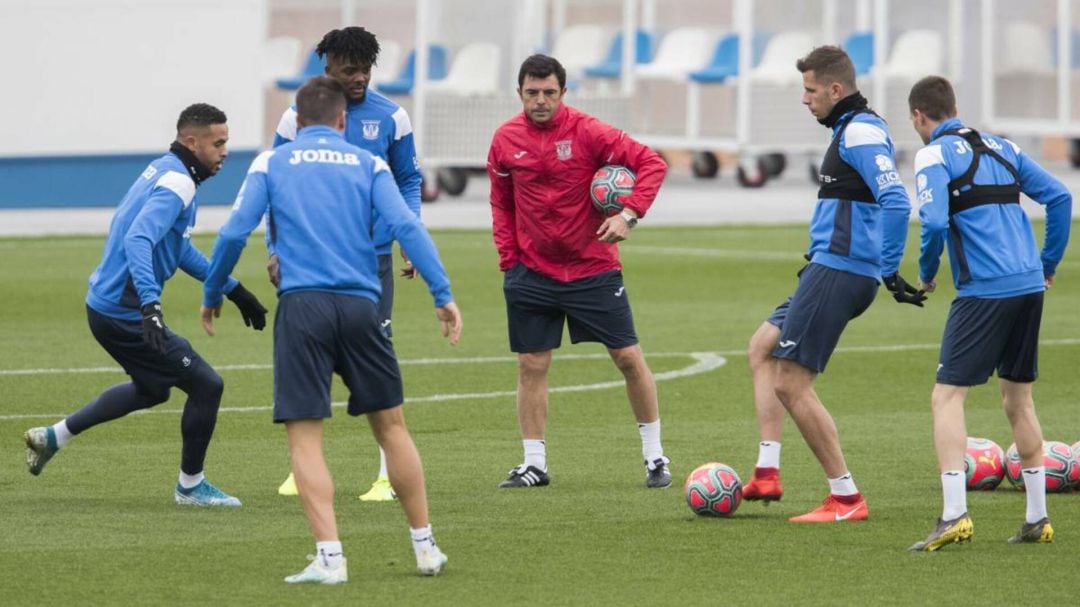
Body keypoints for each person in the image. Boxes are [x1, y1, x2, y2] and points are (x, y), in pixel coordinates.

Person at [202, 76, 461, 584]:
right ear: (343, 121)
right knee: (392, 428)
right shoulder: (369, 163)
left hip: (304, 307)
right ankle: (426, 547)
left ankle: (330, 558)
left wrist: (214, 293)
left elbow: (234, 231)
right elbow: (408, 227)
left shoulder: (270, 162)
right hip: (363, 305)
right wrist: (442, 293)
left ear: (296, 122)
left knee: (306, 439)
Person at [23, 103, 267, 507]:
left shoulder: (166, 169)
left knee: (152, 389)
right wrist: (151, 306)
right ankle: (190, 487)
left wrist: (232, 288)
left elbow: (176, 247)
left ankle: (53, 437)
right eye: (218, 143)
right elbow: (139, 239)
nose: (225, 151)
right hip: (123, 313)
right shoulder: (179, 183)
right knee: (207, 385)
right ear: (192, 142)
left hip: (105, 307)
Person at [740, 46, 924, 522]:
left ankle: (846, 498)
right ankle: (767, 472)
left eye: (810, 89)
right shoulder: (851, 127)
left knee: (791, 381)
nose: (805, 99)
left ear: (835, 89)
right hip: (828, 265)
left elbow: (896, 201)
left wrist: (888, 267)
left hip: (841, 269)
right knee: (762, 347)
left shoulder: (860, 131)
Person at [487, 54, 671, 489]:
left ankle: (655, 457)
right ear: (520, 94)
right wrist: (509, 260)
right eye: (532, 93)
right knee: (532, 364)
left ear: (563, 93)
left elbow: (652, 163)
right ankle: (534, 463)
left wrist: (629, 214)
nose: (541, 101)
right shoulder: (505, 139)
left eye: (549, 92)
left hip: (593, 269)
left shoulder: (589, 131)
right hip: (531, 272)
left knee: (628, 358)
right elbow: (501, 202)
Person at [905, 76, 1071, 550]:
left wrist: (927, 271)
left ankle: (954, 513)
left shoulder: (932, 155)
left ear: (919, 116)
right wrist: (1047, 264)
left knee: (947, 396)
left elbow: (934, 220)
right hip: (1027, 286)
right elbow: (1060, 197)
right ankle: (1037, 518)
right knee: (1018, 400)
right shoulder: (1005, 148)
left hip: (985, 290)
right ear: (953, 107)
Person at [272, 26, 422, 502]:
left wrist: (408, 235)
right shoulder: (295, 117)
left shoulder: (392, 117)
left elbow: (409, 180)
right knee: (306, 357)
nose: (358, 77)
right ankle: (303, 467)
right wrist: (275, 249)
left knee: (378, 357)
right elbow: (276, 188)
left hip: (371, 259)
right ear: (328, 67)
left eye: (365, 69)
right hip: (309, 259)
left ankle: (384, 476)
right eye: (348, 68)